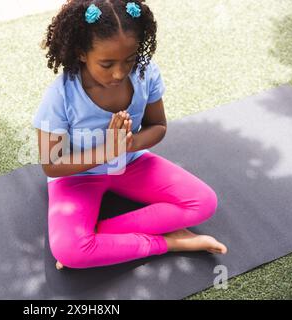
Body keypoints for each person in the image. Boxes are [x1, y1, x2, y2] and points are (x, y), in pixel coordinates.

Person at [32, 0, 227, 270]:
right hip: (77, 177)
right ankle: (171, 242)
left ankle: (97, 237)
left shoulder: (145, 73)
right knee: (70, 250)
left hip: (132, 162)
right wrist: (108, 151)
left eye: (129, 60)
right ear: (81, 53)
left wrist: (129, 144)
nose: (120, 72)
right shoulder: (60, 95)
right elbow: (51, 164)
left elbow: (158, 125)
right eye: (107, 63)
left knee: (204, 203)